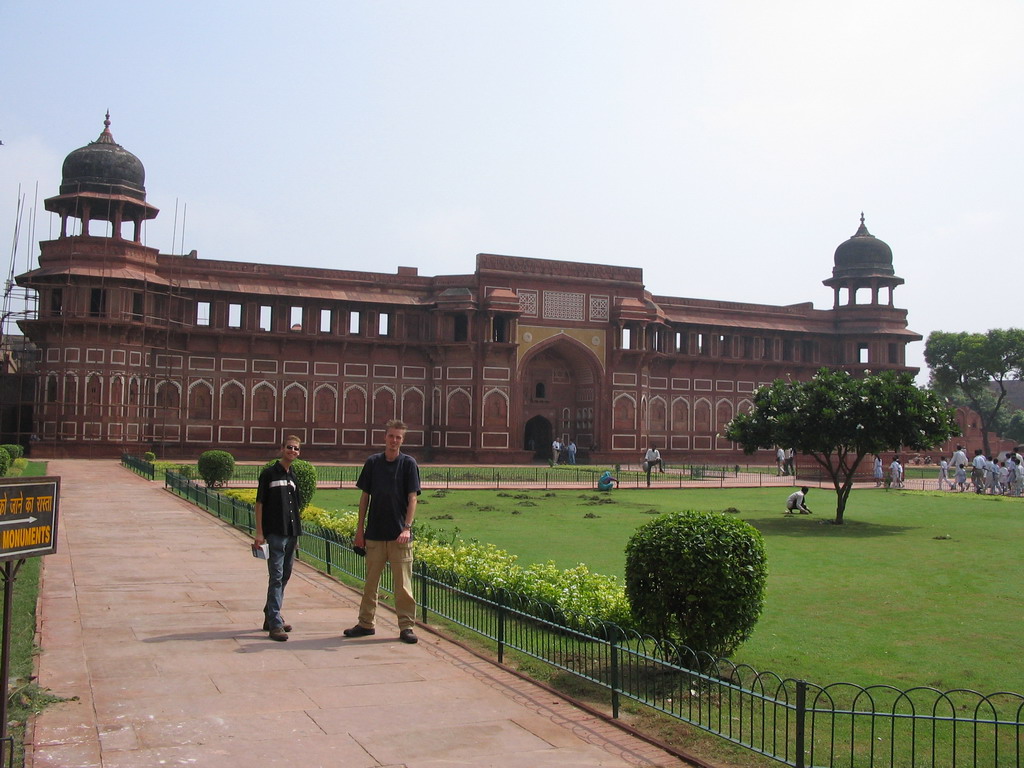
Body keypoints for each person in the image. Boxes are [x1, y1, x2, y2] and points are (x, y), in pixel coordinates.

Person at [344, 419, 422, 644]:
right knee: (370, 583)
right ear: (385, 437)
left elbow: (412, 497)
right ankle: (365, 623)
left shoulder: (408, 463)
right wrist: (360, 530)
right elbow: (364, 497)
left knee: (403, 585)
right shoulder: (373, 463)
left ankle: (406, 626)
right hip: (375, 533)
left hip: (399, 535)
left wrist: (407, 528)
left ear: (402, 440)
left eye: (398, 437)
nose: (394, 440)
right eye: (391, 436)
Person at [254, 435, 304, 642]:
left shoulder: (292, 476)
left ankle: (271, 615)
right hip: (275, 533)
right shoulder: (268, 474)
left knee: (284, 576)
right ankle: (275, 623)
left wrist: (296, 535)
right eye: (289, 447)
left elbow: (296, 508)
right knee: (276, 576)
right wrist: (259, 532)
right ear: (281, 448)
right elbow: (259, 504)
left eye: (296, 449)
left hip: (291, 533)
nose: (293, 451)